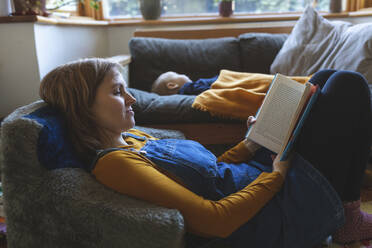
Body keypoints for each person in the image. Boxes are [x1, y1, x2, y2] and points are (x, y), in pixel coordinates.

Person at [39, 58, 372, 247]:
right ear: (83, 108)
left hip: (258, 175)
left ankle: (346, 211)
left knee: (322, 80)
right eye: (117, 92)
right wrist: (277, 174)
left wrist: (253, 141)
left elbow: (210, 171)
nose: (132, 99)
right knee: (348, 85)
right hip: (275, 212)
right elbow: (215, 221)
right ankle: (347, 216)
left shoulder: (132, 137)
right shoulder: (113, 165)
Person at [151, 71, 218, 95]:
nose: (182, 74)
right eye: (178, 74)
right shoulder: (188, 88)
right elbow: (211, 91)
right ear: (172, 85)